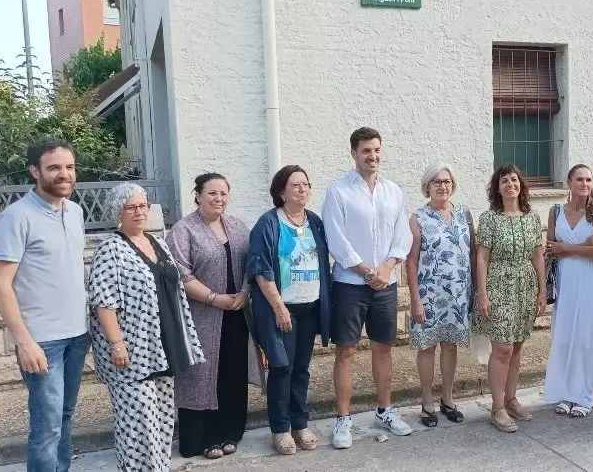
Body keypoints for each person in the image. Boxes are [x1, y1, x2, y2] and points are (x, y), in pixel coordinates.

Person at [88, 183, 204, 471]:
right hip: (133, 351)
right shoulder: (110, 249)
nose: (140, 212)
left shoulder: (157, 242)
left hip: (163, 347)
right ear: (118, 211)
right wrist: (117, 344)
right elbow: (103, 303)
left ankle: (159, 468)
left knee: (162, 418)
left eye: (143, 205)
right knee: (137, 423)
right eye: (131, 207)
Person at [0, 137, 89, 472]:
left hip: (78, 334)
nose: (65, 174)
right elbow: (1, 285)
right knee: (47, 428)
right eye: (54, 168)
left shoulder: (75, 212)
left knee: (64, 417)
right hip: (42, 340)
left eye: (69, 167)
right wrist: (25, 342)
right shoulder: (16, 217)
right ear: (35, 171)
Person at [322, 127, 413, 449]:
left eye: (376, 150)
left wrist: (386, 268)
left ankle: (385, 410)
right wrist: (364, 270)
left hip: (385, 284)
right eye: (365, 151)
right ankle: (343, 419)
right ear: (354, 154)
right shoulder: (338, 191)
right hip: (349, 284)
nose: (372, 156)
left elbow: (402, 236)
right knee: (346, 351)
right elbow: (335, 238)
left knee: (383, 349)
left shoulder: (393, 191)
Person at [167, 173, 261, 459]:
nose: (219, 199)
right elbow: (180, 274)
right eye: (212, 193)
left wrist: (245, 293)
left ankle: (230, 431)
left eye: (223, 193)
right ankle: (202, 437)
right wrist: (213, 298)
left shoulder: (237, 226)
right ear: (198, 195)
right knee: (202, 377)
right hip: (201, 318)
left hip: (236, 315)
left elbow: (251, 265)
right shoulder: (183, 230)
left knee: (232, 373)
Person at [247, 165, 333, 455]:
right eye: (295, 185)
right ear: (281, 191)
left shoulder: (315, 222)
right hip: (280, 309)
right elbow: (260, 270)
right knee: (282, 367)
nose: (302, 189)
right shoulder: (268, 223)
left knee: (300, 369)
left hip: (310, 308)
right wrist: (279, 307)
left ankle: (300, 424)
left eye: (306, 184)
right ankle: (280, 428)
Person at [473, 164, 547, 433]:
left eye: (514, 179)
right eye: (504, 180)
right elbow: (482, 258)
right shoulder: (489, 218)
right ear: (497, 187)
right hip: (497, 285)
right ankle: (497, 407)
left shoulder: (532, 217)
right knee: (502, 347)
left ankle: (511, 398)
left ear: (521, 185)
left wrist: (542, 290)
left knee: (516, 346)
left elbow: (538, 255)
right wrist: (482, 294)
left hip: (525, 286)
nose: (510, 184)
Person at [407, 163, 475, 427]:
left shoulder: (464, 215)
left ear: (452, 184)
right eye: (436, 181)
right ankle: (427, 402)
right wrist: (415, 299)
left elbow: (471, 254)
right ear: (427, 186)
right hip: (429, 294)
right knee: (427, 347)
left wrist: (476, 291)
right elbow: (410, 262)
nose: (442, 186)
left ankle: (448, 399)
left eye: (446, 181)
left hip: (458, 293)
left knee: (450, 345)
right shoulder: (418, 218)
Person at [542, 164, 593, 418]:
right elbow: (550, 247)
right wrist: (580, 245)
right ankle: (565, 393)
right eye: (579, 179)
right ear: (569, 182)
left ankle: (585, 394)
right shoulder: (555, 211)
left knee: (585, 337)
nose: (584, 183)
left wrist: (567, 248)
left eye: (589, 179)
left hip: (586, 279)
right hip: (563, 279)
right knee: (563, 336)